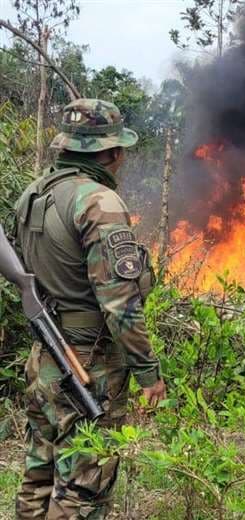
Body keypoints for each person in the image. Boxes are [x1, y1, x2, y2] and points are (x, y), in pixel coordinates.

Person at [14, 98, 166, 519]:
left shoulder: (34, 194)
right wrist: (148, 373)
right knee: (84, 487)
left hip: (45, 356)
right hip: (88, 362)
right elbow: (120, 302)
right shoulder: (99, 202)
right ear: (112, 152)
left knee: (39, 474)